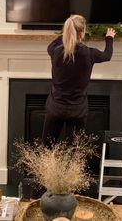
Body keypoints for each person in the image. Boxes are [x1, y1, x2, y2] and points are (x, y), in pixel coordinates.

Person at [42, 14, 116, 146]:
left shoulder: (55, 51)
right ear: (82, 33)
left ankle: (48, 167)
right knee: (74, 153)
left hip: (55, 108)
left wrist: (66, 35)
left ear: (67, 31)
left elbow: (53, 44)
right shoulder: (90, 53)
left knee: (47, 147)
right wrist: (109, 38)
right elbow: (107, 55)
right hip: (77, 110)